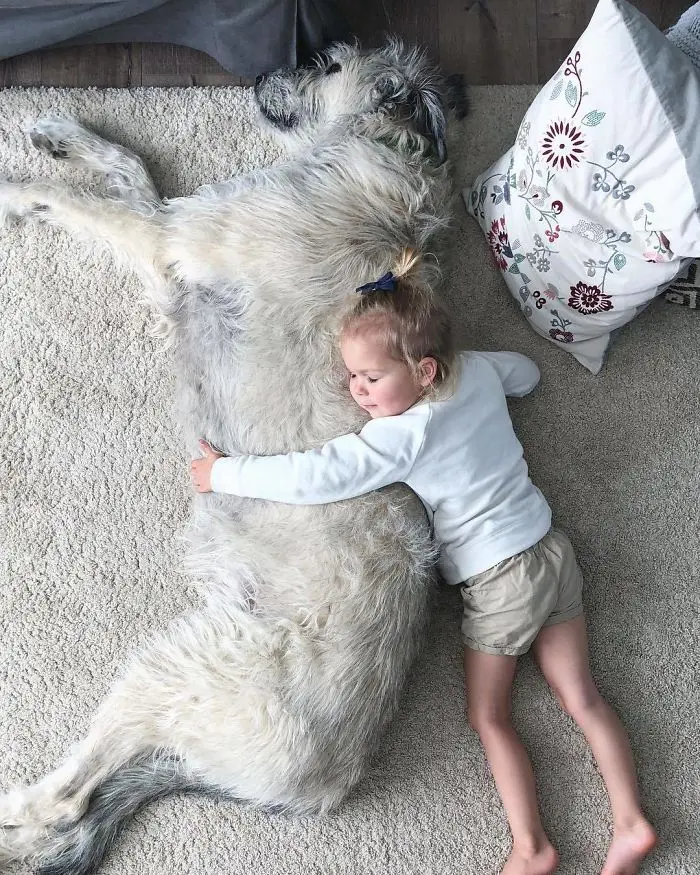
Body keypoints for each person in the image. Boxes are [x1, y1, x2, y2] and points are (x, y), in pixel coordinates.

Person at [190, 250, 657, 875]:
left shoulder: (402, 434)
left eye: (372, 378)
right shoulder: (474, 374)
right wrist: (502, 384)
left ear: (424, 371)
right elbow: (525, 374)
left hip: (500, 580)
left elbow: (319, 474)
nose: (356, 391)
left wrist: (223, 472)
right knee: (582, 697)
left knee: (489, 715)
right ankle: (630, 822)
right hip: (551, 550)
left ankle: (533, 848)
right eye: (351, 376)